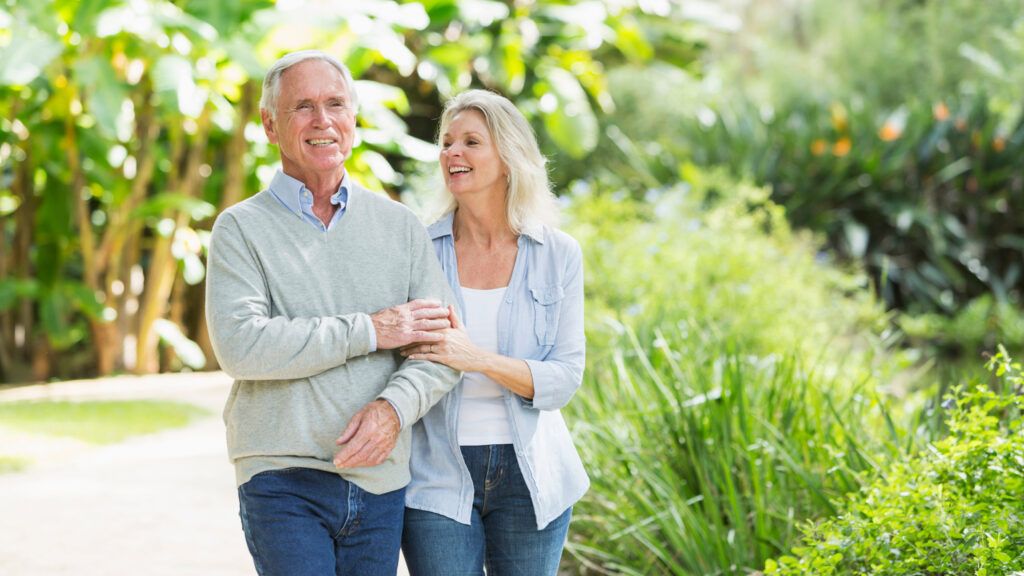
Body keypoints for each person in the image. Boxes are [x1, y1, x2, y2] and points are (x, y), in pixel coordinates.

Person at [204, 50, 460, 576]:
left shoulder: (400, 226)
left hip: (380, 479)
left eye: (335, 104)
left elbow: (440, 351)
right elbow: (242, 346)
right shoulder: (240, 229)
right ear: (270, 125)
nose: (322, 120)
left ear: (353, 118)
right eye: (303, 106)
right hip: (281, 473)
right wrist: (372, 329)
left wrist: (393, 411)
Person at [400, 89, 589, 575]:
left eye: (470, 142)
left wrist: (476, 358)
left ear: (508, 158)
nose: (452, 154)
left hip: (532, 477)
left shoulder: (557, 253)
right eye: (446, 143)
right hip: (437, 471)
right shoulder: (419, 249)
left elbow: (564, 378)